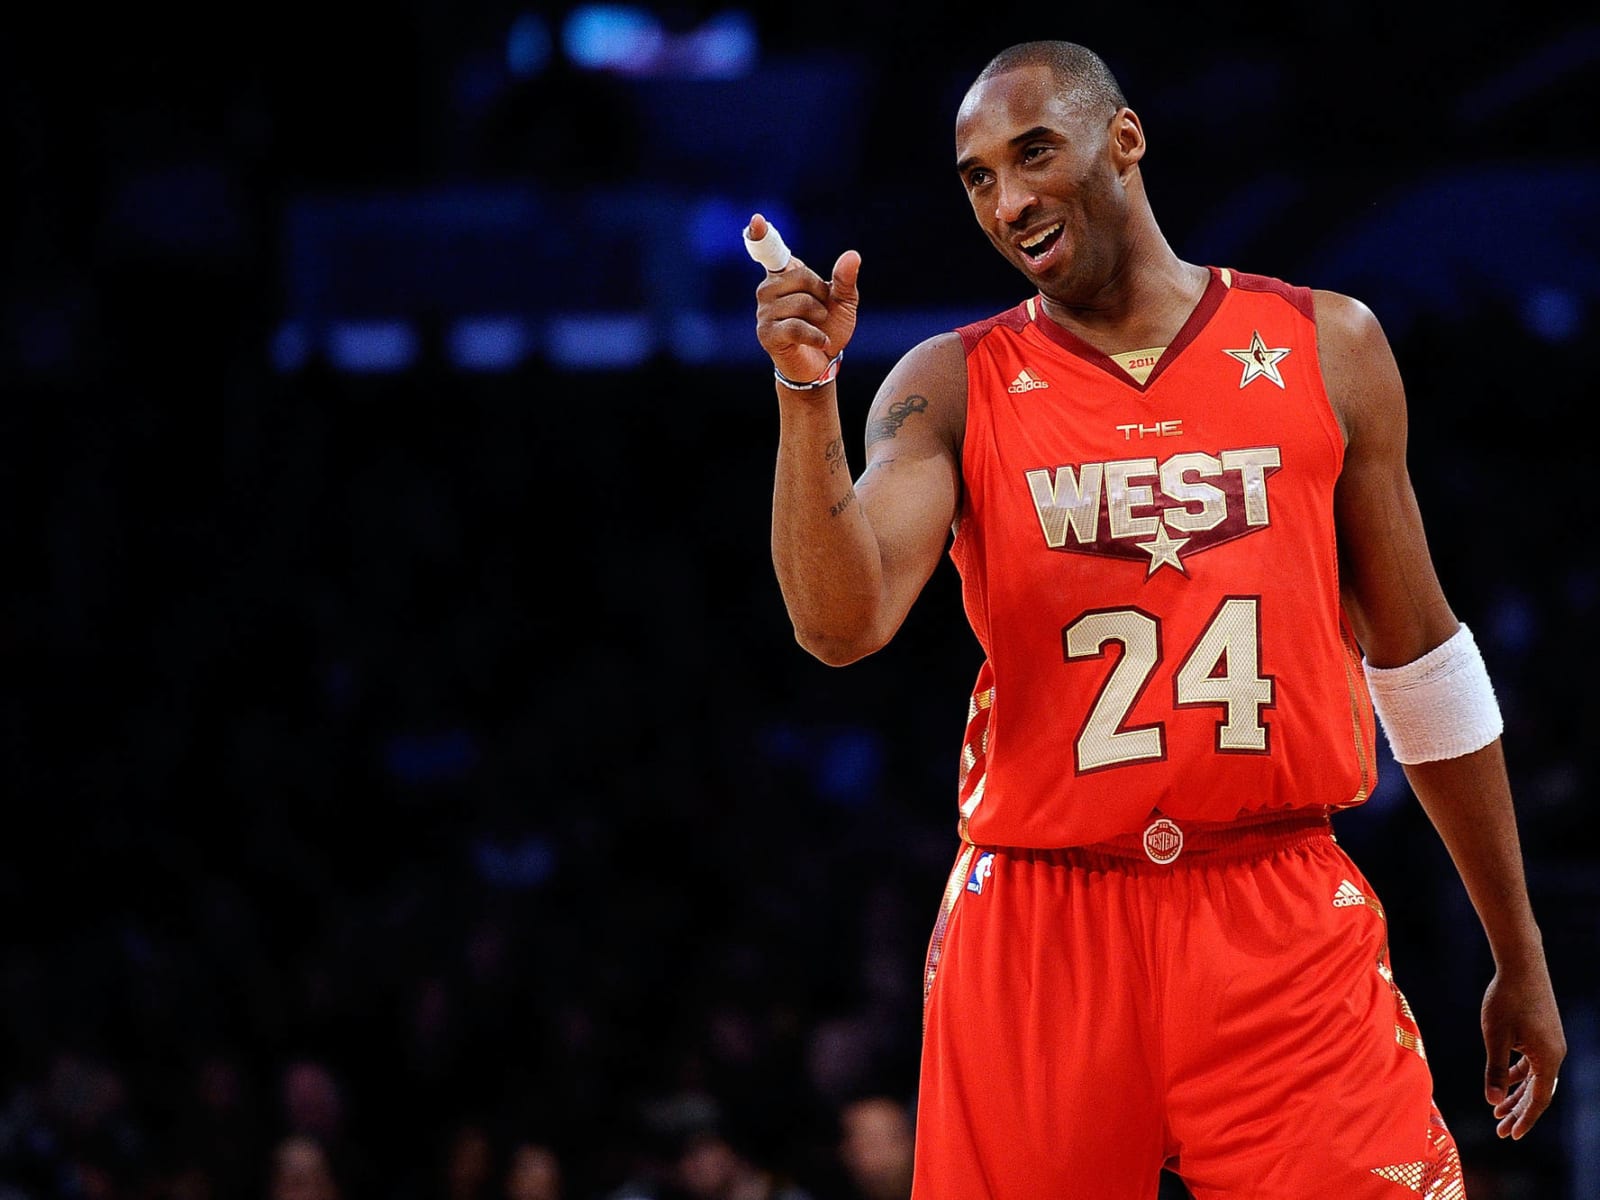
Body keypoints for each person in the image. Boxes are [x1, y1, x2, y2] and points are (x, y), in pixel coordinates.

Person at [750, 39, 1566, 1199]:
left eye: (1034, 152)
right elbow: (841, 624)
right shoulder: (952, 382)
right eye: (977, 176)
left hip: (1274, 902)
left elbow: (1422, 660)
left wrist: (1518, 949)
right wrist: (803, 394)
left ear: (1123, 139)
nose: (1009, 198)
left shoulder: (1326, 345)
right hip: (1039, 920)